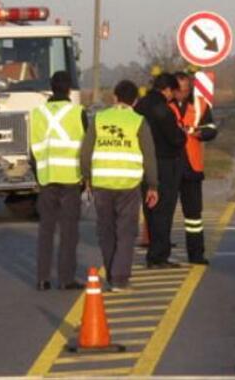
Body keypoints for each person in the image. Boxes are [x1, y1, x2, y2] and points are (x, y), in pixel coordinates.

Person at [81, 80, 159, 291]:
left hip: (102, 183)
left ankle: (111, 274)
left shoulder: (99, 119)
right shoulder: (139, 121)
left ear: (114, 98)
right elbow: (149, 155)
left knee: (106, 231)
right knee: (126, 232)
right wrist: (152, 185)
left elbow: (86, 151)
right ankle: (120, 278)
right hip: (128, 185)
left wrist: (86, 178)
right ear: (135, 100)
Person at [30, 71, 87, 291]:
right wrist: (86, 177)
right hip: (71, 178)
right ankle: (66, 279)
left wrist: (39, 176)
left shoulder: (37, 113)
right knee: (69, 231)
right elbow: (85, 148)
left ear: (51, 88)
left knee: (46, 229)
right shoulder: (77, 112)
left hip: (46, 178)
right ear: (69, 89)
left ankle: (43, 278)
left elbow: (33, 150)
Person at [134, 73, 187, 269]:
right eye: (173, 92)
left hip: (143, 163)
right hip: (165, 163)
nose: (173, 96)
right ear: (167, 90)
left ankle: (154, 253)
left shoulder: (139, 106)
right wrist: (183, 136)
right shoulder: (162, 109)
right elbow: (175, 137)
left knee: (150, 208)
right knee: (164, 209)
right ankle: (159, 255)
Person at [170, 72, 218, 265]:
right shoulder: (166, 105)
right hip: (170, 164)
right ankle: (161, 254)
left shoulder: (200, 104)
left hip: (192, 165)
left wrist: (202, 133)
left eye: (186, 89)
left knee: (194, 215)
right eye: (179, 90)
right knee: (164, 213)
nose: (183, 93)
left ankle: (196, 253)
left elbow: (212, 128)